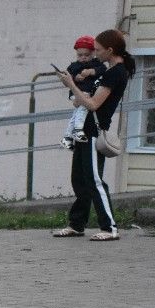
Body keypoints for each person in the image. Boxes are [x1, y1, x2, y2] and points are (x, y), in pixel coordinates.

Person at [51, 29, 135, 242]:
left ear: (110, 50)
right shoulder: (106, 71)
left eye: (97, 50)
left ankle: (110, 227)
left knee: (94, 179)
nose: (95, 54)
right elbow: (82, 99)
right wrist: (74, 88)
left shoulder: (116, 72)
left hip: (92, 131)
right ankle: (77, 224)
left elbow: (93, 104)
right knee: (79, 178)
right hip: (84, 130)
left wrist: (71, 85)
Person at [60, 36, 104, 148]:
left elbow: (102, 70)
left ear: (93, 53)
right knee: (84, 106)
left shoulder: (96, 64)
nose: (83, 58)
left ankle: (67, 137)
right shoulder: (74, 66)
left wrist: (90, 71)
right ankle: (78, 129)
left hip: (87, 94)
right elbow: (66, 78)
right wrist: (75, 78)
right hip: (77, 94)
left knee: (76, 114)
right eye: (80, 55)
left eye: (87, 55)